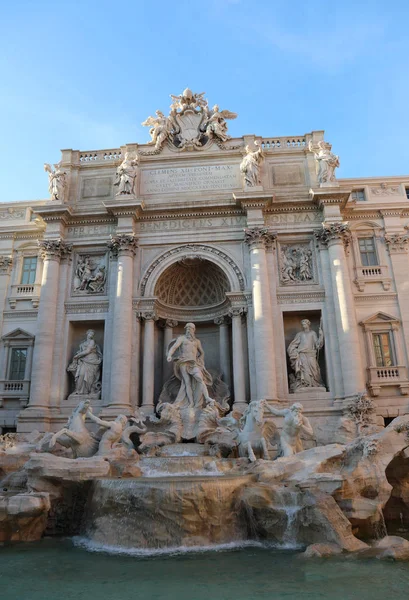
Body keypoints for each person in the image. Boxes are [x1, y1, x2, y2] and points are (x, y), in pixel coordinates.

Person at [167, 323, 214, 408]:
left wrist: (201, 361)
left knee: (200, 378)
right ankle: (191, 402)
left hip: (194, 363)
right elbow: (174, 347)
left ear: (194, 330)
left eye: (190, 328)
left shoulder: (197, 341)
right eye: (187, 329)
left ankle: (207, 398)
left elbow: (202, 352)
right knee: (187, 382)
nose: (188, 330)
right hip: (183, 362)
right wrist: (169, 355)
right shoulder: (181, 339)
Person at [287, 319, 324, 391]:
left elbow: (317, 345)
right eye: (302, 324)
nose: (303, 326)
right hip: (302, 354)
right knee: (304, 369)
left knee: (314, 369)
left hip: (311, 354)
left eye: (305, 324)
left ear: (308, 324)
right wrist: (293, 351)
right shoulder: (299, 334)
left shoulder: (313, 333)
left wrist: (321, 335)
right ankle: (305, 384)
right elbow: (293, 344)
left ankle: (315, 383)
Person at [67, 330, 102, 395]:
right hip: (83, 360)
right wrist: (78, 355)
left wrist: (78, 355)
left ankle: (88, 391)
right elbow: (81, 351)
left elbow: (88, 351)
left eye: (92, 334)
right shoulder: (83, 343)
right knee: (81, 374)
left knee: (90, 377)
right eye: (90, 334)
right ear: (87, 334)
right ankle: (78, 390)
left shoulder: (92, 342)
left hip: (92, 360)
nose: (91, 335)